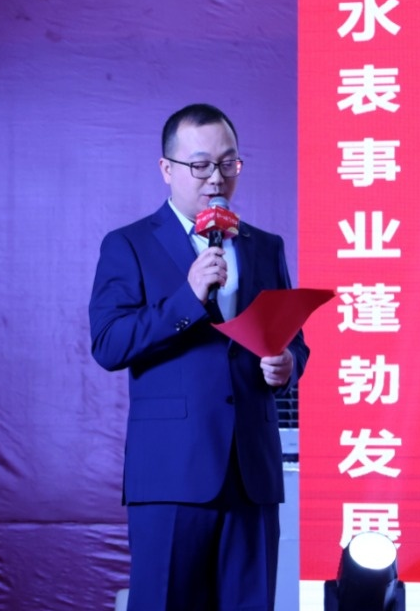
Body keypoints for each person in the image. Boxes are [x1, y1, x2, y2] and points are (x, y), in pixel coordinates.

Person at [89, 103, 310, 611]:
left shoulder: (264, 246)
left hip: (252, 473)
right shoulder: (129, 244)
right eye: (201, 165)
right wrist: (187, 297)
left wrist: (287, 365)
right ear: (166, 169)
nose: (216, 178)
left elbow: (292, 337)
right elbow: (109, 343)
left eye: (228, 163)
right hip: (171, 471)